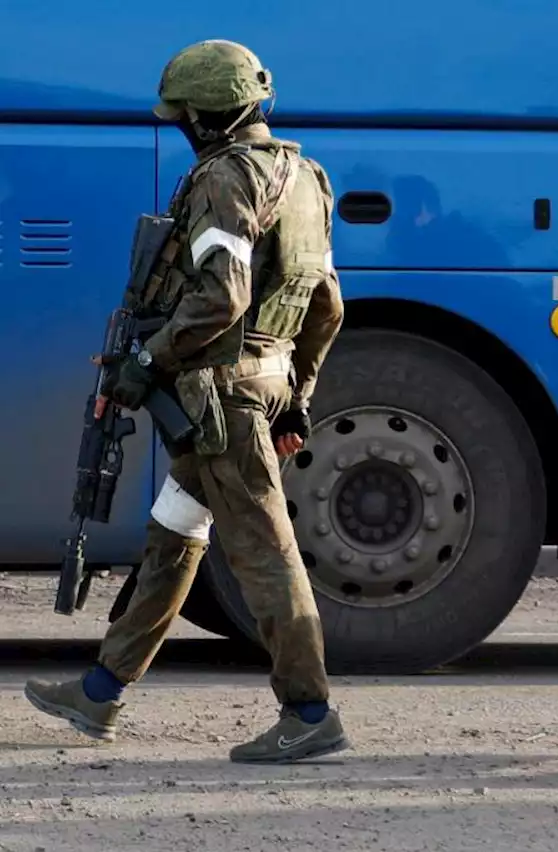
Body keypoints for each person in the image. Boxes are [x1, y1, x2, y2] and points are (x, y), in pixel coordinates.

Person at [23, 39, 350, 764]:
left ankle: (309, 712)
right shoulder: (306, 177)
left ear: (205, 119)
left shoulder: (224, 179)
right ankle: (101, 692)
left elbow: (221, 298)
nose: (180, 127)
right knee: (174, 535)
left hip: (221, 398)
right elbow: (326, 305)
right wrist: (298, 395)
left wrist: (147, 359)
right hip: (258, 388)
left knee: (265, 555)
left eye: (183, 116)